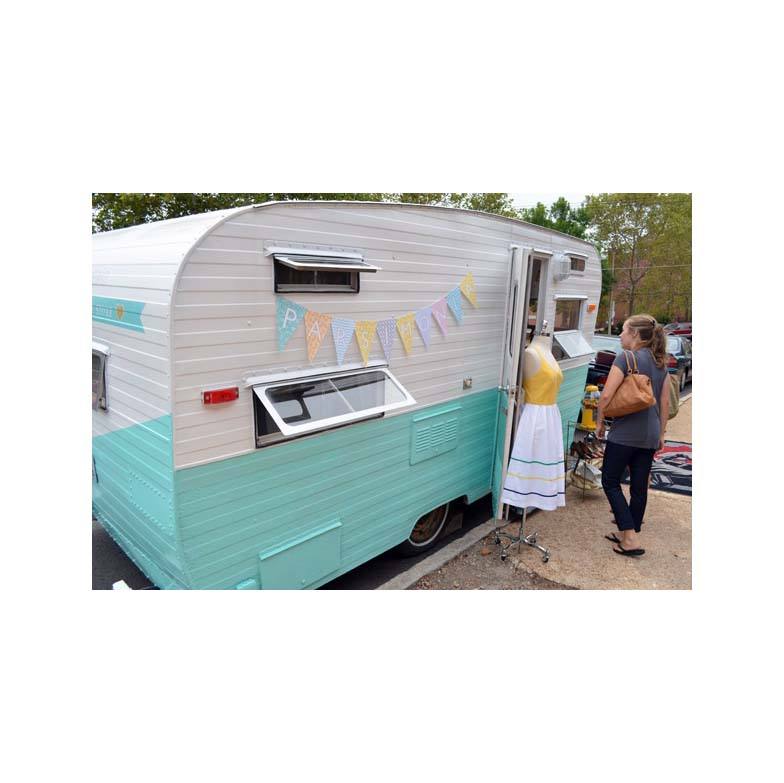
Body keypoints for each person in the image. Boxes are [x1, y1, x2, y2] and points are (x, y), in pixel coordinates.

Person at [596, 314, 670, 557]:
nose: (620, 334)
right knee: (639, 487)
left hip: (625, 433)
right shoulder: (660, 363)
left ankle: (629, 538)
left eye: (624, 330)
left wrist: (599, 422)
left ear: (635, 334)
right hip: (650, 434)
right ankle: (629, 531)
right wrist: (661, 433)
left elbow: (606, 396)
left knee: (610, 480)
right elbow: (664, 402)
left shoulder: (625, 358)